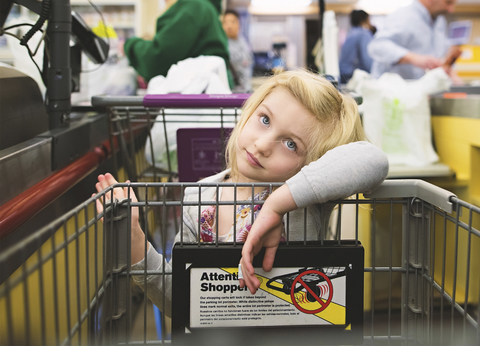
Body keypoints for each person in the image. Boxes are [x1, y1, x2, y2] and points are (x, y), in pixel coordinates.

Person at [94, 69, 389, 313]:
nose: (262, 145)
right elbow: (179, 300)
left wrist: (278, 204)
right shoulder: (199, 197)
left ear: (311, 164)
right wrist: (133, 235)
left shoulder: (304, 203)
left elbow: (373, 161)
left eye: (291, 144)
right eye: (264, 120)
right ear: (248, 112)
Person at [123, 0, 231, 83]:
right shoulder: (205, 8)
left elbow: (157, 58)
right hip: (207, 97)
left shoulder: (194, 8)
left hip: (197, 100)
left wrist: (129, 45)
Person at [367, 0, 457, 80]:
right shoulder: (404, 16)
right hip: (391, 93)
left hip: (420, 92)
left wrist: (446, 64)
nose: (451, 10)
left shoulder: (440, 21)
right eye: (448, 2)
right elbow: (377, 46)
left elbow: (438, 53)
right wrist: (412, 58)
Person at [222, 9, 254, 93]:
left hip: (246, 89)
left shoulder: (244, 43)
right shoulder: (222, 45)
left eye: (232, 21)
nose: (229, 26)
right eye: (225, 22)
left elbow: (248, 64)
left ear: (239, 24)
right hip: (230, 92)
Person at [339, 10, 374, 83]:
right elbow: (367, 60)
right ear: (363, 20)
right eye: (369, 19)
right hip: (354, 75)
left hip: (343, 73)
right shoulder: (364, 34)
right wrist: (374, 74)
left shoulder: (351, 33)